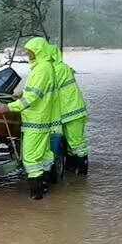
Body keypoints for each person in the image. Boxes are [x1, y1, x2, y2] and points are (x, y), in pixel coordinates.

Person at [0, 37, 59, 200]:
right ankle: (46, 186)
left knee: (30, 158)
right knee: (44, 155)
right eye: (27, 52)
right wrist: (21, 93)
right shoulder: (46, 67)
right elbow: (37, 91)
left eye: (30, 52)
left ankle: (36, 194)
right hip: (43, 119)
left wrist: (9, 107)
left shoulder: (41, 69)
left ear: (38, 51)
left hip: (35, 120)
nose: (28, 55)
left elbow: (33, 97)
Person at [48, 44, 90, 175]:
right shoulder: (59, 68)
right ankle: (72, 172)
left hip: (72, 111)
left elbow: (45, 88)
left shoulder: (58, 69)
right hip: (68, 111)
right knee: (70, 143)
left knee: (77, 143)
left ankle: (82, 173)